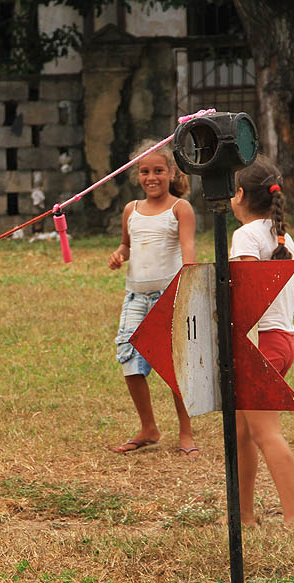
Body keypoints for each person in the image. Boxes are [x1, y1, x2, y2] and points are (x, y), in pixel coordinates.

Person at [108, 140, 199, 457]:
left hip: (169, 297)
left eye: (159, 170)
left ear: (172, 172)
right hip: (136, 296)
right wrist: (119, 255)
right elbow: (126, 246)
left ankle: (186, 432)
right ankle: (149, 427)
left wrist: (189, 285)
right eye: (145, 171)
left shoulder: (180, 209)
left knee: (174, 367)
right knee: (129, 360)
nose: (152, 177)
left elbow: (188, 252)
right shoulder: (131, 210)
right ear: (137, 175)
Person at [229, 156, 294, 527]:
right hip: (283, 341)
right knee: (243, 432)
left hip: (259, 345)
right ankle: (243, 516)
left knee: (265, 434)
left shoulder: (244, 236)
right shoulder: (283, 236)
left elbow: (245, 294)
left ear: (240, 195)